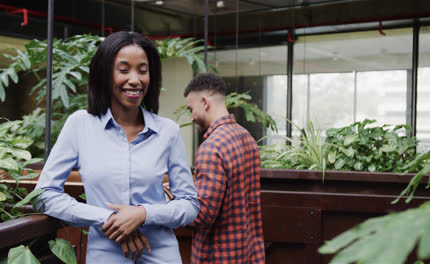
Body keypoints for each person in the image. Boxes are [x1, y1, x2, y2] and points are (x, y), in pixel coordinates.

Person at [34, 31, 199, 263]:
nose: (135, 79)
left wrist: (143, 214)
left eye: (143, 70)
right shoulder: (80, 125)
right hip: (105, 253)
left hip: (161, 254)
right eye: (123, 70)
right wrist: (109, 218)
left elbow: (190, 204)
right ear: (105, 74)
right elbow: (44, 195)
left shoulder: (168, 132)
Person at [184, 73, 265, 263]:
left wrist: (174, 199)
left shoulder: (211, 148)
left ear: (204, 102)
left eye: (191, 108)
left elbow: (201, 216)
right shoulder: (246, 137)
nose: (192, 117)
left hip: (217, 257)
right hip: (247, 253)